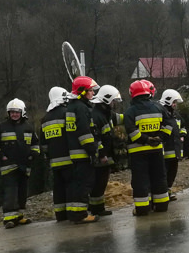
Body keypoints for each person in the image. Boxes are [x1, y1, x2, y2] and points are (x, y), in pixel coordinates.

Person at [0, 98, 40, 228]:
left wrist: (33, 154)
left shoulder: (28, 127)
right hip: (8, 167)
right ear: (8, 113)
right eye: (12, 112)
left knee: (22, 192)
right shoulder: (1, 127)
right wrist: (1, 156)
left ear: (22, 112)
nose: (14, 114)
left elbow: (35, 143)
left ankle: (19, 216)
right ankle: (9, 218)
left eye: (17, 112)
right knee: (10, 192)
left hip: (24, 166)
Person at [124, 80, 170, 216]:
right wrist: (159, 138)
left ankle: (142, 209)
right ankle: (161, 205)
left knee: (140, 180)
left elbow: (131, 131)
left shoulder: (130, 111)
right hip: (156, 151)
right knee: (159, 177)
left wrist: (146, 140)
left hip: (138, 153)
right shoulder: (159, 108)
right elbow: (169, 125)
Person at [63, 76, 100, 224]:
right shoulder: (81, 108)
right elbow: (85, 133)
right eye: (90, 90)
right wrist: (92, 151)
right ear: (82, 92)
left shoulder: (71, 107)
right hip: (83, 152)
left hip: (74, 152)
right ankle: (81, 215)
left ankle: (74, 213)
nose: (92, 93)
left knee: (76, 184)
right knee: (84, 184)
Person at [89, 84, 122, 216]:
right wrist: (102, 154)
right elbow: (96, 138)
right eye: (113, 101)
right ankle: (96, 209)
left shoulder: (105, 114)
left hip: (105, 155)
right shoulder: (97, 116)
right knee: (98, 183)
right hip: (100, 156)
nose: (114, 103)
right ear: (107, 100)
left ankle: (99, 208)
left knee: (102, 183)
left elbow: (119, 118)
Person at [41, 86, 73, 222]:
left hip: (54, 161)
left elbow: (43, 145)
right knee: (71, 186)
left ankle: (60, 214)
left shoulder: (45, 119)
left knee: (58, 188)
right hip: (70, 159)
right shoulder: (67, 113)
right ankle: (73, 213)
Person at [159, 89, 184, 201]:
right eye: (174, 102)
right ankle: (164, 193)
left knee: (172, 173)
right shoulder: (162, 113)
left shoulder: (176, 115)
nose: (175, 105)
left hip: (176, 150)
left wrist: (182, 134)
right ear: (168, 101)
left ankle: (168, 192)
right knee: (164, 173)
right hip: (166, 149)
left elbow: (183, 126)